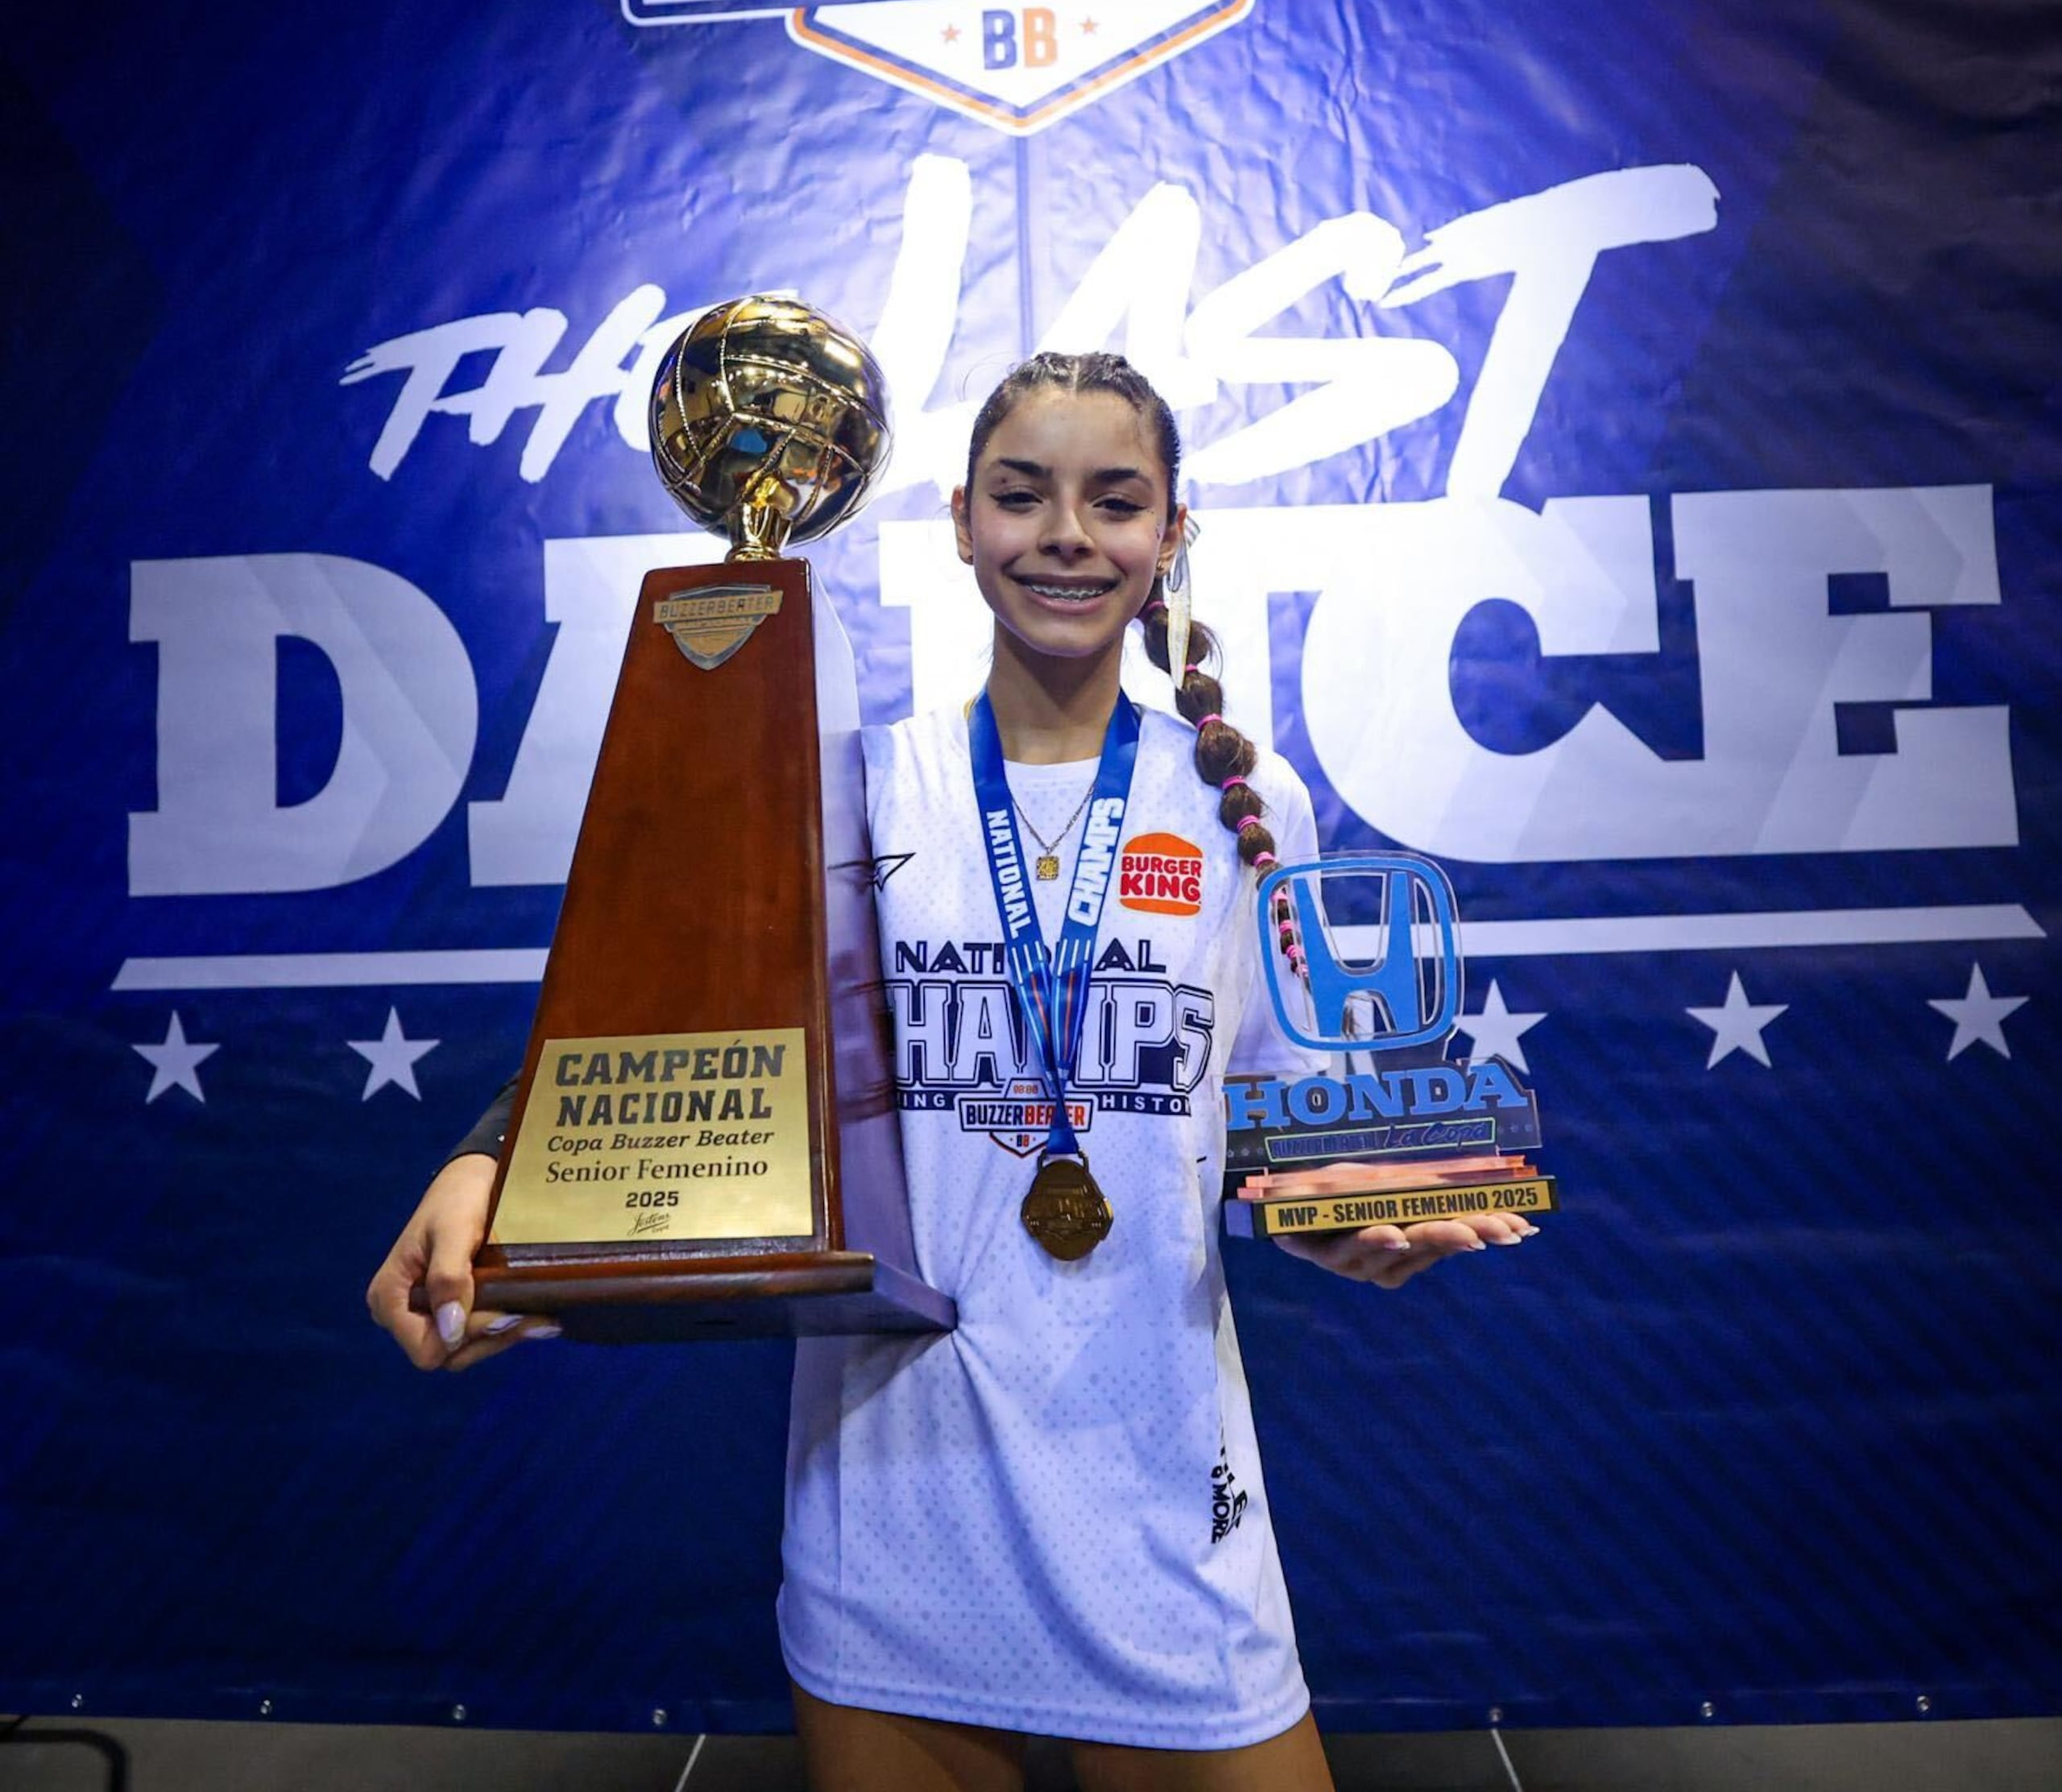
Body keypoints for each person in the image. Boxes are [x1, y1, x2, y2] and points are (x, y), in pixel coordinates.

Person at [366, 352, 1535, 1791]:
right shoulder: (857, 778)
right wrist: (493, 1158)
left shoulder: (1248, 797)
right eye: (1020, 494)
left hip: (1158, 1475)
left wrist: (1337, 1210)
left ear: (1172, 537)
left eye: (1115, 501)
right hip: (893, 1487)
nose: (1065, 534)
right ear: (961, 526)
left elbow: (1267, 1125)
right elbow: (671, 1013)